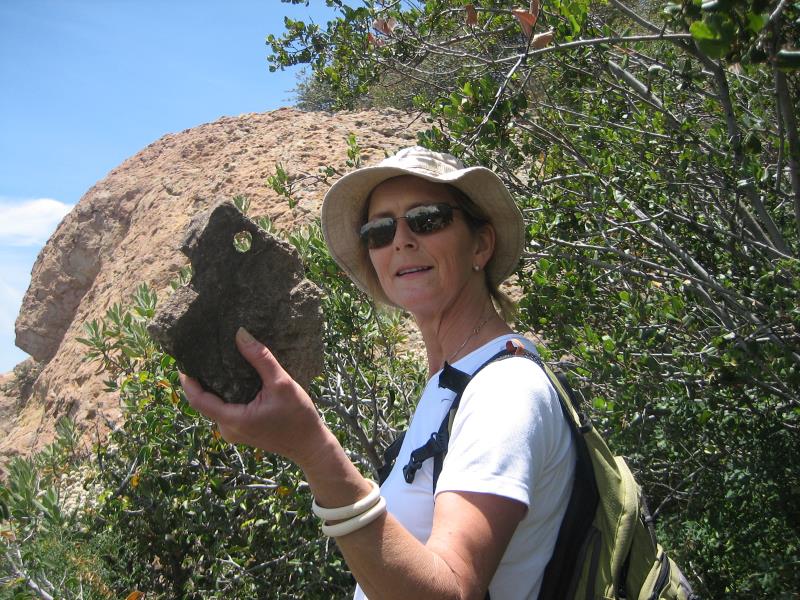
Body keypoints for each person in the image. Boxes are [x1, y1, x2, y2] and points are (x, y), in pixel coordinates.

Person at [180, 146, 575, 599]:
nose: (401, 240)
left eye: (427, 219)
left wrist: (313, 450)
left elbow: (454, 588)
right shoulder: (453, 381)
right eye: (379, 231)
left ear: (480, 244)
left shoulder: (504, 390)